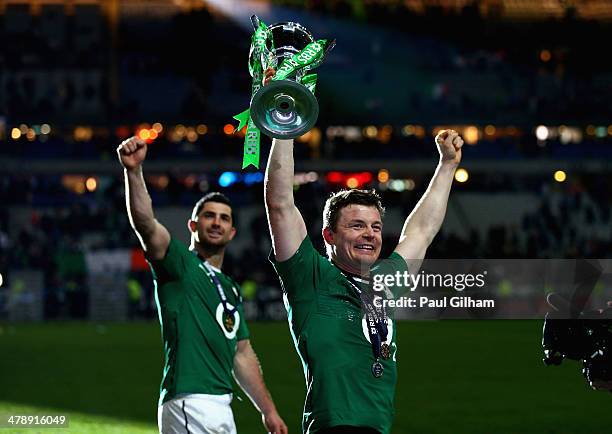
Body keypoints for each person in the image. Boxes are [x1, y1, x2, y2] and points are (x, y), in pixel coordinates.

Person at [263, 74, 464, 433]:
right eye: (356, 226)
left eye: (374, 226)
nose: (370, 234)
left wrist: (447, 166)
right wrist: (284, 124)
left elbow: (421, 231)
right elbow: (280, 204)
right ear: (329, 235)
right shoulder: (310, 276)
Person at [117, 136, 288, 434]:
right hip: (189, 400)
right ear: (193, 226)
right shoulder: (179, 263)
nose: (216, 223)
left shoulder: (231, 287)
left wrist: (269, 411)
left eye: (224, 218)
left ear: (232, 232)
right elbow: (146, 224)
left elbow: (242, 352)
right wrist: (134, 171)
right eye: (209, 216)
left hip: (221, 406)